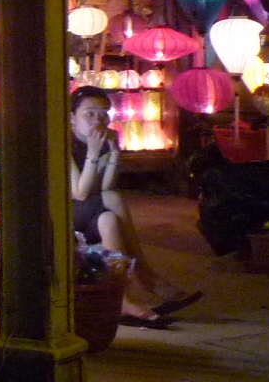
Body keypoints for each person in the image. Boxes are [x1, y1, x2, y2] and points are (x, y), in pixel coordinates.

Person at [68, 85, 202, 326]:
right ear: (71, 119)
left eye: (103, 113)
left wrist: (113, 156)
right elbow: (79, 192)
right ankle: (146, 277)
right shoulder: (61, 146)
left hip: (91, 211)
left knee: (109, 218)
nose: (97, 120)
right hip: (66, 212)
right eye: (89, 113)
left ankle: (122, 299)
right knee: (112, 200)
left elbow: (106, 186)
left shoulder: (102, 140)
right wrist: (93, 153)